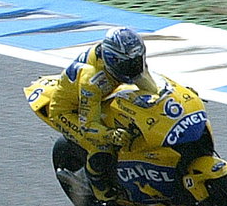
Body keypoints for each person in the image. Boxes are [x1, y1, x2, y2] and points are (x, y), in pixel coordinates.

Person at [47, 26, 161, 195]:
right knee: (102, 145)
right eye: (128, 64)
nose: (134, 67)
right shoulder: (93, 80)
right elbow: (88, 125)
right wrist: (111, 134)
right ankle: (95, 184)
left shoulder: (127, 59)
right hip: (69, 111)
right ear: (112, 61)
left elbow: (152, 89)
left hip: (101, 98)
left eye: (137, 60)